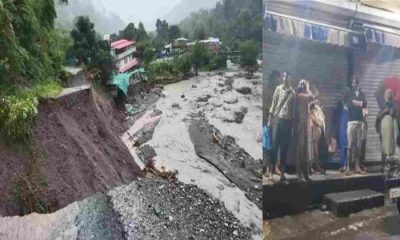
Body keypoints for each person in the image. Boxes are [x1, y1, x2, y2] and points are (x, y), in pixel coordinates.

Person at [268, 71, 296, 181]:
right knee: (274, 147)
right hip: (278, 121)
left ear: (290, 78)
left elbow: (293, 112)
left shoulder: (293, 93)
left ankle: (282, 173)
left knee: (284, 149)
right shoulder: (278, 89)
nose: (285, 78)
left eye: (287, 77)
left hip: (287, 122)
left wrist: (292, 127)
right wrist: (270, 121)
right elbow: (273, 105)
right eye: (284, 76)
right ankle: (270, 172)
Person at [294, 80, 316, 181]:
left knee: (307, 150)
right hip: (301, 124)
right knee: (300, 149)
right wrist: (308, 88)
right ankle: (299, 174)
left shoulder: (303, 95)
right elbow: (312, 97)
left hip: (306, 123)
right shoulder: (300, 95)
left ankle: (306, 174)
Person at [347, 77, 367, 175]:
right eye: (352, 83)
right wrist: (360, 103)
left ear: (358, 84)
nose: (353, 84)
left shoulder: (362, 94)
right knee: (350, 145)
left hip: (360, 122)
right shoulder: (349, 93)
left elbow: (365, 104)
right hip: (351, 122)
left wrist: (357, 103)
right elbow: (350, 103)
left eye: (355, 83)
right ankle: (348, 166)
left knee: (358, 146)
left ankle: (357, 166)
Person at [376, 89, 398, 172]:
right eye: (387, 93)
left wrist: (391, 111)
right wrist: (385, 111)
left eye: (390, 93)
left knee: (390, 144)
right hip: (383, 124)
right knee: (383, 145)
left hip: (390, 124)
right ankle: (383, 164)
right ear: (385, 94)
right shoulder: (382, 104)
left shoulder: (393, 104)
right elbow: (379, 116)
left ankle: (389, 164)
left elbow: (394, 114)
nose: (388, 94)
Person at [332, 88, 350, 173]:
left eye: (346, 93)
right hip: (341, 126)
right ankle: (343, 165)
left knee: (347, 146)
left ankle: (347, 165)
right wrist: (334, 131)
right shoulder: (339, 104)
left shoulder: (350, 103)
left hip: (348, 125)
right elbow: (335, 117)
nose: (344, 95)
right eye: (343, 93)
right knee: (341, 146)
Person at [310, 100, 325, 174]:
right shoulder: (310, 108)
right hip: (312, 129)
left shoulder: (318, 108)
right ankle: (312, 166)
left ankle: (316, 165)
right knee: (312, 148)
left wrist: (320, 125)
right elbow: (312, 116)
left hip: (318, 130)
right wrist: (318, 124)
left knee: (315, 148)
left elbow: (321, 118)